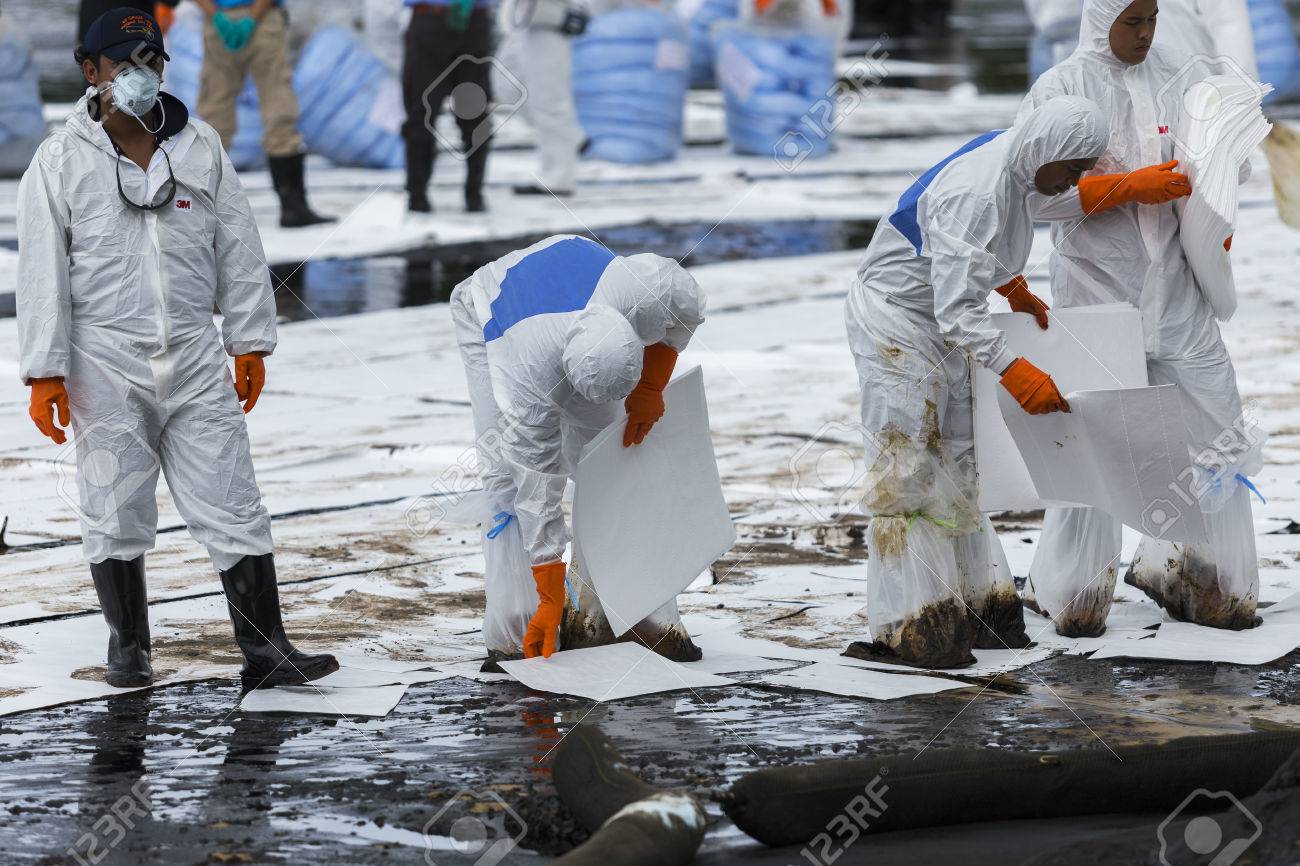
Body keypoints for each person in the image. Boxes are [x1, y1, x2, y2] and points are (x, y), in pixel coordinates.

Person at [17, 8, 337, 691]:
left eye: (151, 62)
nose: (140, 75)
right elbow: (42, 270)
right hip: (104, 359)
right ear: (91, 72)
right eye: (123, 64)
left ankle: (266, 646)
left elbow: (239, 248)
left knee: (233, 496)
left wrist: (249, 340)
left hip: (193, 353)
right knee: (114, 500)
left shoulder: (200, 149)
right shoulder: (60, 160)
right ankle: (128, 647)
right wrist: (44, 372)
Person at [1019, 0, 1263, 637]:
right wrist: (1126, 186)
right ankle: (1073, 590)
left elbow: (1223, 157)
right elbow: (1030, 198)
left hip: (1177, 292)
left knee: (1217, 428)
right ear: (1101, 19)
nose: (1146, 33)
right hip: (1099, 293)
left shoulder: (1177, 74)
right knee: (1092, 437)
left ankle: (1205, 578)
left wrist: (1217, 211)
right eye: (1132, 20)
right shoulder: (1062, 88)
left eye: (1152, 17)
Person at [844, 96, 1111, 670]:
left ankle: (975, 609)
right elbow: (959, 315)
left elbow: (969, 256)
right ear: (1044, 149)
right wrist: (1016, 370)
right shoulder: (974, 191)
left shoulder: (1017, 162)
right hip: (897, 318)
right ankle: (909, 630)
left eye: (1084, 169)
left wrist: (1008, 283)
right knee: (910, 466)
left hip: (936, 314)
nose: (1075, 181)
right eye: (1072, 167)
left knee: (961, 457)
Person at [449, 235, 706, 666]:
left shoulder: (647, 290)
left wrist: (651, 385)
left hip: (576, 309)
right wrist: (548, 588)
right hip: (489, 316)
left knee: (610, 454)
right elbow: (535, 476)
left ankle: (621, 614)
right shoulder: (527, 375)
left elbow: (690, 306)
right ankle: (518, 619)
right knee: (506, 477)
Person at [191, 0, 332, 228]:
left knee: (215, 114)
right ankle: (293, 206)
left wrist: (216, 16)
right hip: (262, 18)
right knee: (278, 107)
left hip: (219, 21)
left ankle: (200, 209)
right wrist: (252, 17)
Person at [401, 0, 496, 214]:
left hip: (470, 20)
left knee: (473, 111)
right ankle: (418, 195)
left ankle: (474, 194)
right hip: (432, 20)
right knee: (422, 112)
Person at [496, 0, 586, 198]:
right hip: (524, 21)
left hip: (550, 23)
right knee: (504, 82)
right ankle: (572, 136)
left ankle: (559, 178)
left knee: (550, 100)